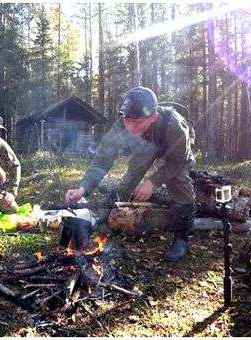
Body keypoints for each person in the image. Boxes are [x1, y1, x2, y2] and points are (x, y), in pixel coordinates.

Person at [64, 86, 196, 262]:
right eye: (127, 121)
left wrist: (153, 181)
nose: (130, 128)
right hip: (147, 144)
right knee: (131, 177)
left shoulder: (175, 127)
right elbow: (102, 159)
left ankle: (181, 238)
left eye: (137, 122)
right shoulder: (123, 123)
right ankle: (112, 213)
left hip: (173, 151)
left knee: (178, 181)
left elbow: (179, 161)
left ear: (153, 117)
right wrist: (83, 188)